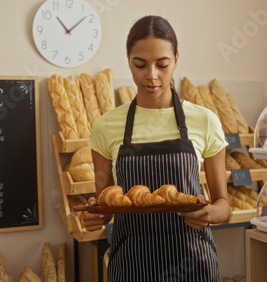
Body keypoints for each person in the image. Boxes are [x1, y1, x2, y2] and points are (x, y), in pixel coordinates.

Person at [82, 15, 230, 281]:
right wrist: (96, 216)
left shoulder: (204, 120)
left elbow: (224, 206)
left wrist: (209, 213)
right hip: (131, 266)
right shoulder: (106, 126)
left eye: (162, 65)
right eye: (140, 65)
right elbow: (106, 203)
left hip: (192, 264)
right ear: (128, 61)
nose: (151, 75)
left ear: (176, 59)